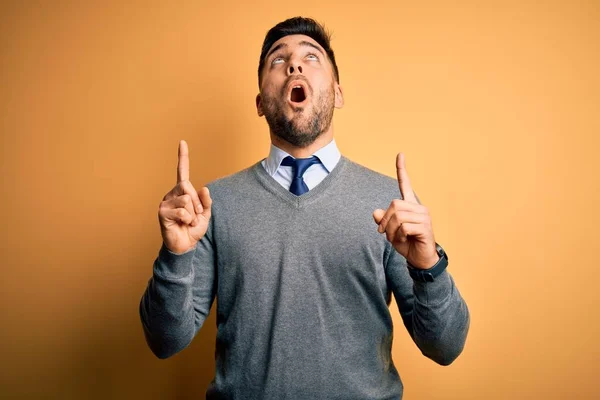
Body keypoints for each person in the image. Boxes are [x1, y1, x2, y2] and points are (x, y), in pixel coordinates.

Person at [139, 16, 470, 400]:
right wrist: (175, 255)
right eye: (278, 60)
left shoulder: (390, 205)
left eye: (311, 58)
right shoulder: (211, 207)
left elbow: (446, 346)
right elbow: (165, 341)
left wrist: (428, 264)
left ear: (339, 93)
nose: (294, 64)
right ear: (261, 103)